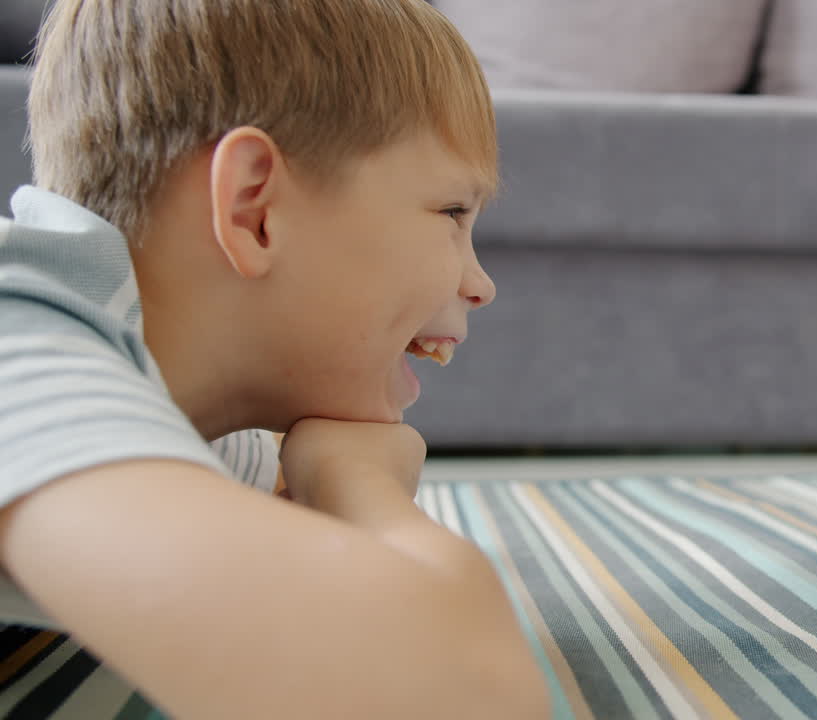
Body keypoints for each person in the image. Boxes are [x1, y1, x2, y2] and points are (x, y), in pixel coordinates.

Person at [0, 0, 550, 717]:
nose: (481, 285)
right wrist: (355, 480)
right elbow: (466, 687)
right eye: (451, 213)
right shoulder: (25, 342)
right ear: (254, 208)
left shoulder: (189, 416)